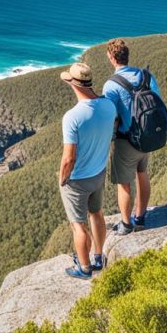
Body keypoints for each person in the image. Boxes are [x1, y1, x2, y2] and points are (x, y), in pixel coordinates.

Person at [58, 62, 117, 279]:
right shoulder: (109, 105)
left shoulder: (72, 117)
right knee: (97, 214)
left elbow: (69, 157)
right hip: (98, 172)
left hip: (78, 178)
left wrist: (63, 178)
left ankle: (84, 268)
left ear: (72, 84)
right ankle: (98, 256)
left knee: (78, 226)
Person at [103, 38, 161, 235]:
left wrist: (107, 140)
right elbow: (157, 101)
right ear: (127, 55)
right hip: (146, 137)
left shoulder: (111, 85)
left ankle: (126, 224)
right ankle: (141, 217)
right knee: (142, 174)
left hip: (125, 140)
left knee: (124, 184)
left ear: (111, 57)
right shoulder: (146, 76)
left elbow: (110, 116)